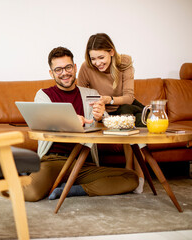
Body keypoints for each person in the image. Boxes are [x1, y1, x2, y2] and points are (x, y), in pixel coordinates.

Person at [22, 46, 139, 202]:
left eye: (68, 67)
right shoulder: (44, 95)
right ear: (51, 73)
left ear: (75, 67)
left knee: (131, 178)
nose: (64, 73)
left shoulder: (90, 94)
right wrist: (70, 122)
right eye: (58, 69)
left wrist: (100, 118)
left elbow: (107, 126)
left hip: (84, 163)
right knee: (30, 194)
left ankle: (72, 190)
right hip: (54, 161)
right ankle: (53, 182)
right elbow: (43, 123)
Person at [77, 33, 145, 193]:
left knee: (129, 116)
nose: (97, 63)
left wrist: (109, 99)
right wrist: (98, 108)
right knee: (125, 118)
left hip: (126, 106)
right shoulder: (86, 67)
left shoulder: (125, 62)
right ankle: (130, 172)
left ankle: (139, 174)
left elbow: (129, 97)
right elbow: (81, 95)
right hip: (105, 112)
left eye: (101, 57)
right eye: (93, 58)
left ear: (111, 52)